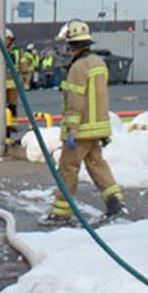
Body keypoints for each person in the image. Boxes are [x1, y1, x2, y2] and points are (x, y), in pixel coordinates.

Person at [42, 19, 124, 225]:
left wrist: (71, 129)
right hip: (98, 127)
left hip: (80, 131)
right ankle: (115, 202)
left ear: (72, 44)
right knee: (97, 164)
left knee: (68, 168)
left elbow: (75, 100)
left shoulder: (78, 67)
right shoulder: (98, 63)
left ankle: (61, 211)